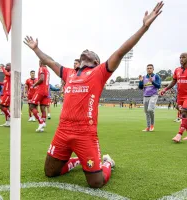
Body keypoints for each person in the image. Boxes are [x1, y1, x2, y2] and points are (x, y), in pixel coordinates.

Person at [24, 1, 164, 188]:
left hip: (85, 134)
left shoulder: (99, 73)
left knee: (96, 182)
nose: (86, 51)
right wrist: (36, 49)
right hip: (63, 131)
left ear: (96, 61)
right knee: (50, 172)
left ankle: (107, 162)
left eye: (91, 52)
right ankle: (75, 161)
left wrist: (144, 28)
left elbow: (121, 51)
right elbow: (49, 61)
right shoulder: (69, 73)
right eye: (85, 51)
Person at [160, 52, 187, 142]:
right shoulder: (177, 70)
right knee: (181, 113)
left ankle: (179, 134)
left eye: (183, 57)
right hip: (180, 96)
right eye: (180, 57)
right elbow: (173, 81)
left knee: (184, 112)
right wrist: (165, 89)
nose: (181, 59)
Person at [139, 64, 161, 132]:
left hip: (153, 95)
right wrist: (140, 81)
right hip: (145, 96)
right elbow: (140, 87)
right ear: (146, 69)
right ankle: (148, 127)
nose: (149, 69)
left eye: (150, 68)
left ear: (153, 69)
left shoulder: (156, 76)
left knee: (150, 110)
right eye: (148, 68)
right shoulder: (144, 77)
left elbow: (158, 86)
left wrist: (152, 81)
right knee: (146, 112)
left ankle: (152, 125)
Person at [29, 61, 50, 132]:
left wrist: (34, 85)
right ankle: (42, 126)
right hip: (46, 91)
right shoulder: (47, 70)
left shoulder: (41, 68)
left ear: (41, 62)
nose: (38, 63)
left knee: (32, 106)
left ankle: (41, 122)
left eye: (39, 61)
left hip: (41, 90)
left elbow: (41, 79)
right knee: (43, 108)